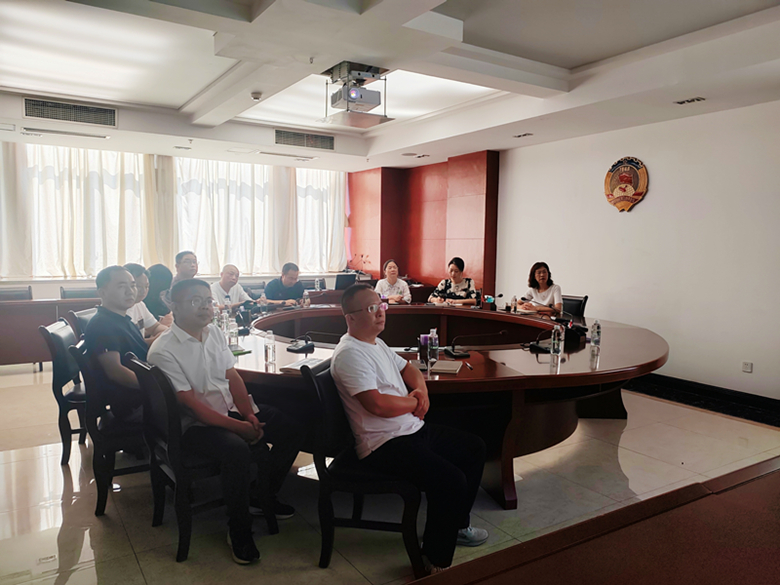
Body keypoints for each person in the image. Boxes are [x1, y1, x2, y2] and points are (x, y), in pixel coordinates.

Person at [331, 284, 488, 574]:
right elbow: (376, 405)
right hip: (383, 443)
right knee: (451, 480)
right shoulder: (349, 354)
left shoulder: (376, 343)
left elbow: (409, 369)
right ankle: (435, 562)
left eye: (381, 306)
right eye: (371, 309)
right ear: (350, 317)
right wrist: (415, 401)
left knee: (473, 447)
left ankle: (456, 527)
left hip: (410, 429)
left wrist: (422, 391)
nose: (380, 312)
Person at [148, 278, 303, 564]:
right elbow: (191, 406)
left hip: (228, 408)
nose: (205, 307)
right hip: (194, 425)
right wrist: (240, 428)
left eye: (208, 300)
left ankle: (261, 495)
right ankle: (239, 530)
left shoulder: (215, 332)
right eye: (195, 301)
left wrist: (249, 415)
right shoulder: (163, 350)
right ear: (173, 306)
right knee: (236, 449)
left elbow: (232, 377)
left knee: (290, 428)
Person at [83, 266, 148, 421]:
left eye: (132, 285)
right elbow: (116, 372)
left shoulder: (122, 319)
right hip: (133, 404)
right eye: (121, 286)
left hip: (141, 395)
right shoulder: (103, 325)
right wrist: (156, 388)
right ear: (102, 293)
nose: (130, 291)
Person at [124, 263, 168, 345]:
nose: (143, 291)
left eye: (146, 286)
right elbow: (129, 344)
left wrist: (163, 334)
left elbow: (156, 327)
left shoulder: (140, 304)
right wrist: (154, 340)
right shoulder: (119, 311)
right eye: (138, 286)